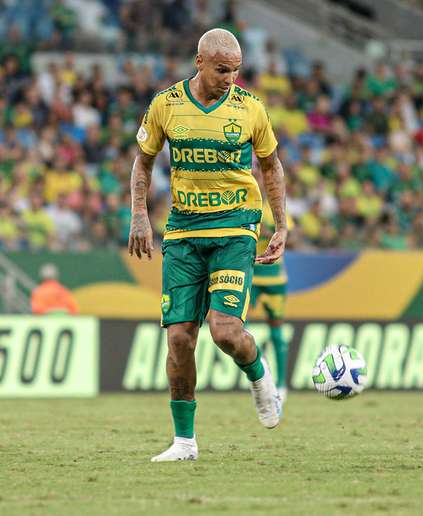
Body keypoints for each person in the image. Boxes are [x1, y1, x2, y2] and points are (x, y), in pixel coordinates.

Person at [128, 28, 288, 462]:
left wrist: (281, 226)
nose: (230, 79)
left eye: (236, 71)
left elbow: (271, 168)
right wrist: (140, 214)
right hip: (183, 231)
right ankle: (185, 443)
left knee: (225, 331)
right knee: (179, 338)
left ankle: (260, 376)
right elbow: (143, 162)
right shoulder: (166, 105)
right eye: (222, 70)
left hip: (235, 227)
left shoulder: (251, 109)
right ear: (199, 62)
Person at [250, 203, 295, 405]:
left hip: (275, 277)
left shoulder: (277, 208)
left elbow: (291, 237)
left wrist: (274, 234)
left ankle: (282, 384)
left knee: (276, 329)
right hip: (250, 273)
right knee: (236, 325)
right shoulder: (245, 200)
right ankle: (259, 367)